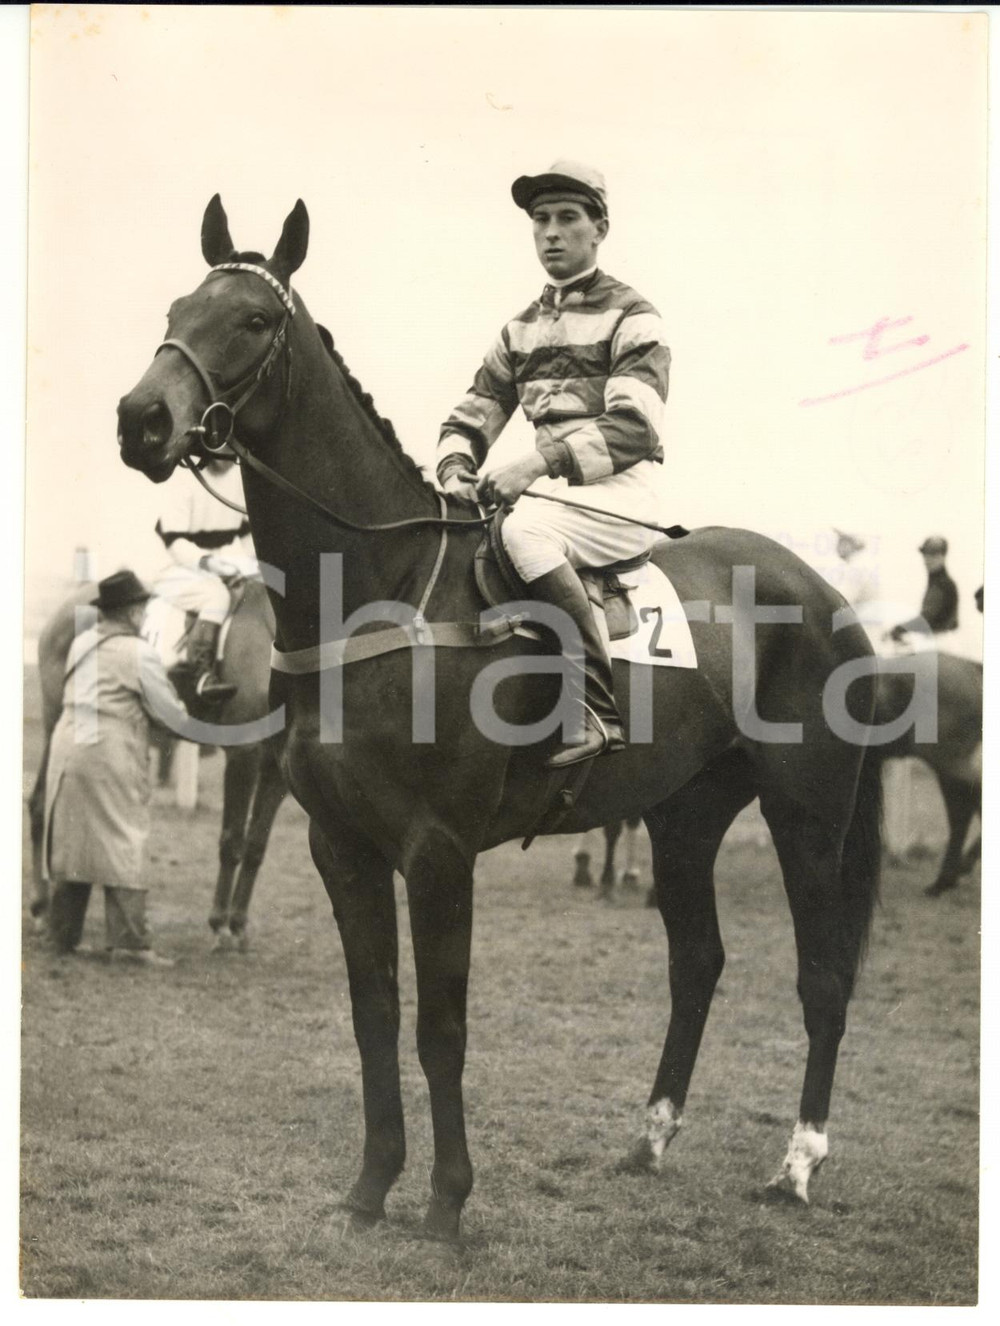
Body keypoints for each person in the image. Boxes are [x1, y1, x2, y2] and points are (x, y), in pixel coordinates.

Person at [436, 160, 670, 767]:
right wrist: (456, 470)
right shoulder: (519, 329)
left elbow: (636, 427)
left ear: (600, 228)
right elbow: (472, 414)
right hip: (554, 495)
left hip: (620, 492)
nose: (551, 233)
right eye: (540, 220)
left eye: (568, 218)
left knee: (520, 528)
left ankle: (593, 705)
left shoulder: (634, 314)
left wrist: (536, 463)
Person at [42, 570, 191, 965]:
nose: (144, 614)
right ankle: (128, 943)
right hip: (108, 751)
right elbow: (170, 715)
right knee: (123, 837)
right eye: (141, 607)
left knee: (73, 843)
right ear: (127, 612)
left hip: (68, 744)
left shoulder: (82, 643)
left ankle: (62, 936)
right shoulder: (137, 652)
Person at [151, 457, 258, 706]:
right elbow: (174, 542)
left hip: (215, 562)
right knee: (216, 596)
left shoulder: (239, 479)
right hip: (175, 567)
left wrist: (261, 562)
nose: (226, 456)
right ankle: (201, 675)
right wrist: (210, 563)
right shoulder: (185, 478)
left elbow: (247, 535)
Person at [889, 535, 959, 643]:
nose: (927, 559)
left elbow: (926, 619)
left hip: (941, 644)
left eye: (933, 555)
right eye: (926, 554)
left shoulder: (942, 584)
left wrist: (898, 629)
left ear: (943, 556)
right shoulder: (939, 582)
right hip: (939, 642)